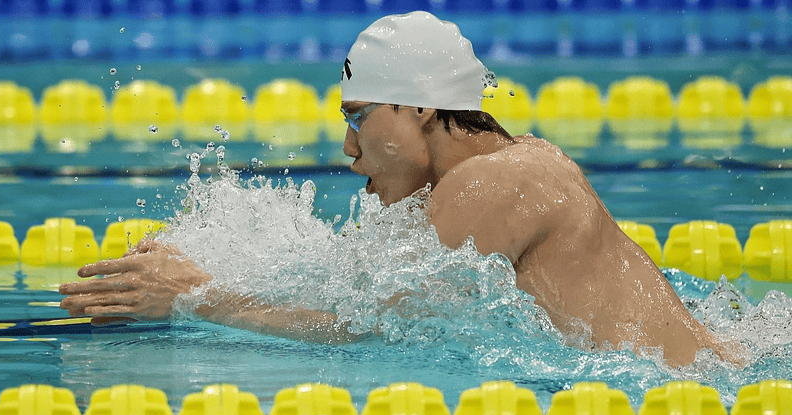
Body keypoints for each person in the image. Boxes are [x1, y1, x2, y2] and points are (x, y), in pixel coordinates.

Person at [60, 11, 741, 367]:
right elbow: (346, 285)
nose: (350, 149)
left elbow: (370, 329)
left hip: (679, 394)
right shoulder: (504, 167)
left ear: (418, 108)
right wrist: (211, 260)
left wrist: (196, 297)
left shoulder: (492, 182)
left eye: (359, 118)